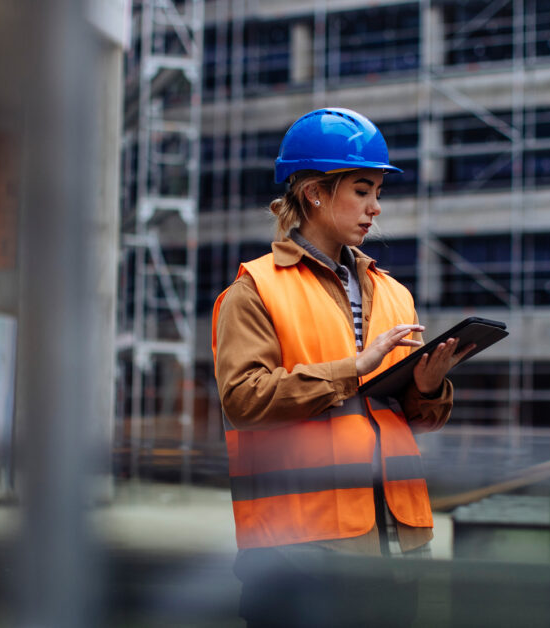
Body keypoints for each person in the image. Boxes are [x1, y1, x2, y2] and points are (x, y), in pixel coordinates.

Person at [212, 107, 473, 628]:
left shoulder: (395, 294)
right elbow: (243, 400)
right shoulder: (254, 291)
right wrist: (353, 367)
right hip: (298, 552)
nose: (375, 207)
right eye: (361, 189)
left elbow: (406, 419)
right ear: (314, 192)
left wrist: (426, 388)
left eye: (378, 192)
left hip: (395, 547)